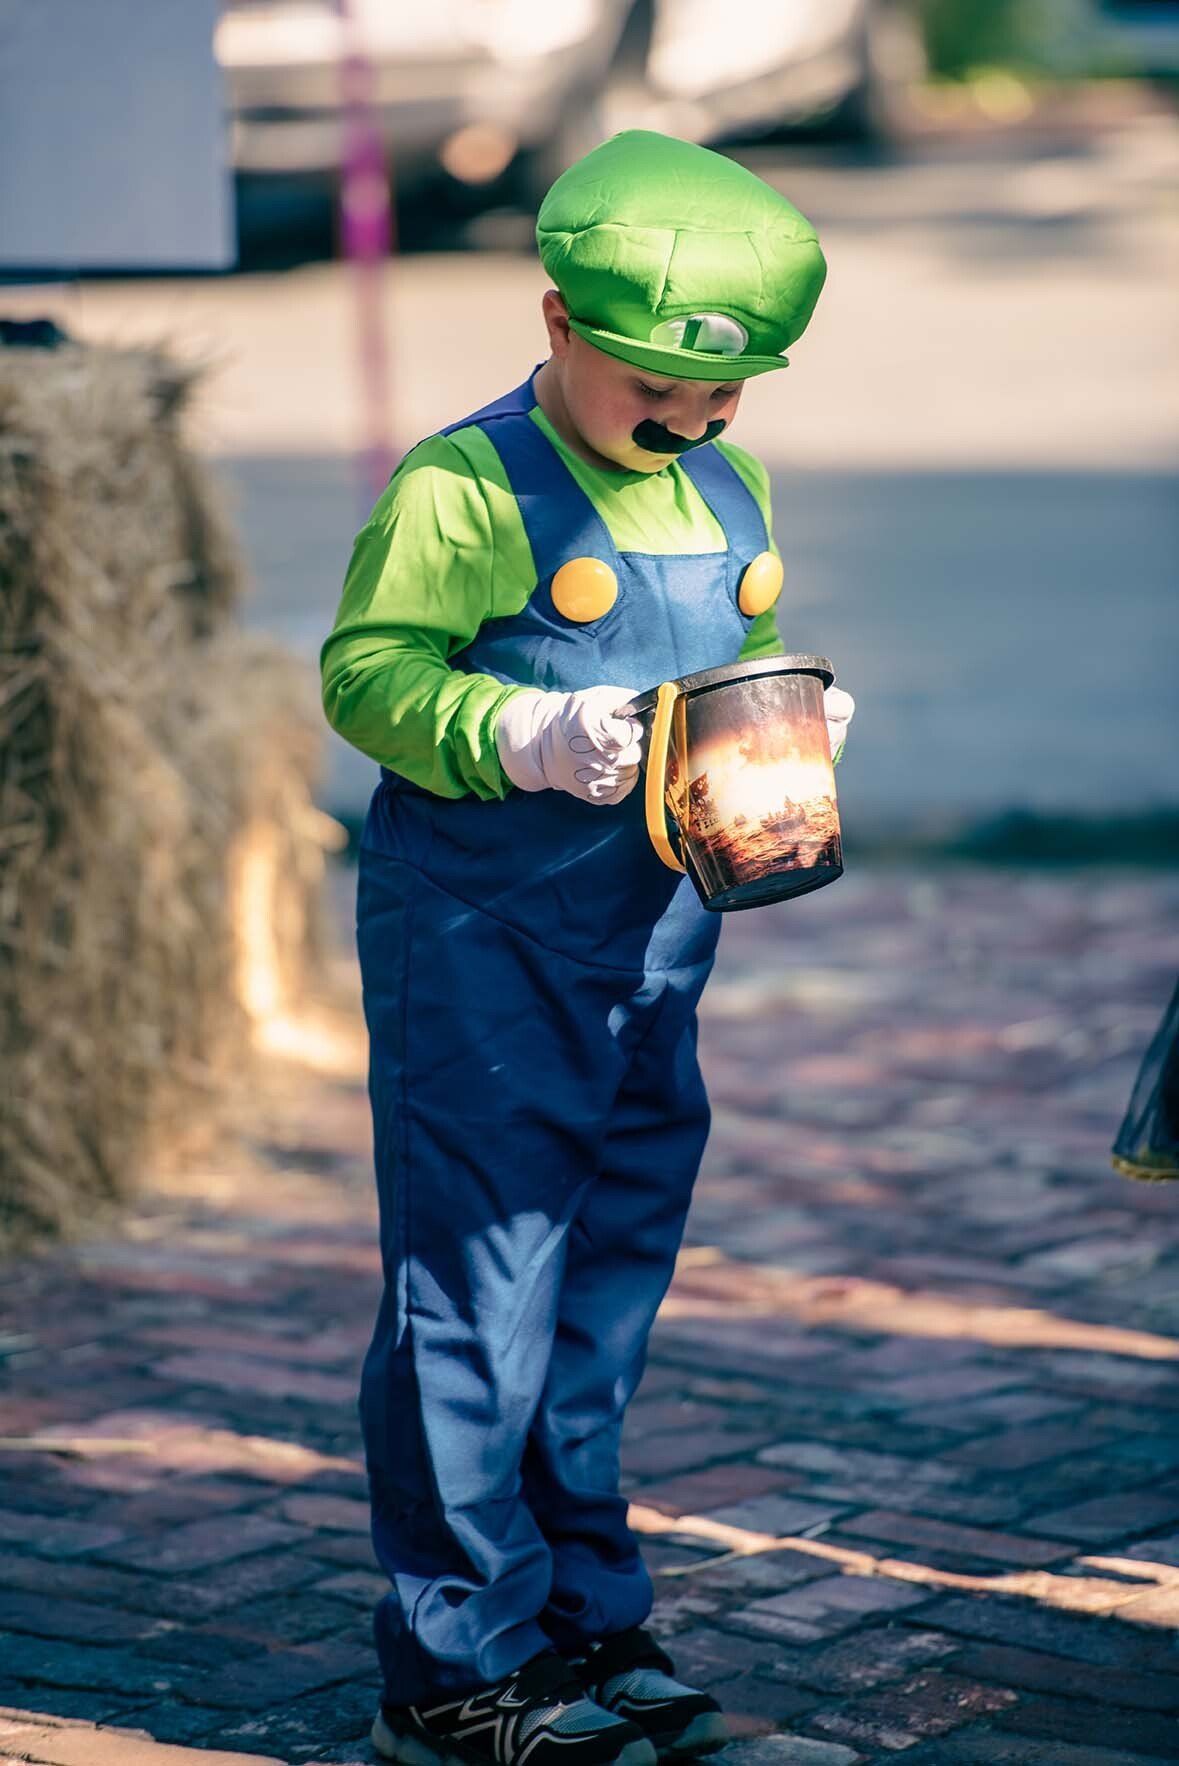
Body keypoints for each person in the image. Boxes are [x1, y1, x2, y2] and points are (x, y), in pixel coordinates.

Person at [321, 129, 854, 1766]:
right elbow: (365, 675)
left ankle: (582, 1616)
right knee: (477, 1289)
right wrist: (525, 729)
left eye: (726, 397)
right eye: (659, 393)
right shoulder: (460, 485)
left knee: (605, 1283)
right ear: (556, 321)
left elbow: (735, 643)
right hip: (482, 940)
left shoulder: (727, 480)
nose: (693, 424)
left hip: (653, 950)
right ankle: (460, 1665)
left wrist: (794, 713)